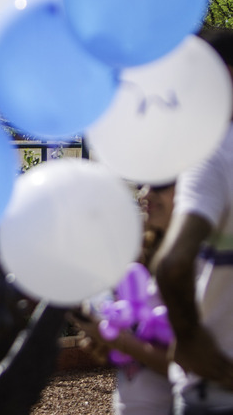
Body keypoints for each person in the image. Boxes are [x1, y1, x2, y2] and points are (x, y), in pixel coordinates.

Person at [155, 27, 233, 414]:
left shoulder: (213, 153)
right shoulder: (213, 152)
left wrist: (188, 339)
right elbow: (173, 265)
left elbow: (173, 265)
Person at [74, 182, 176, 414]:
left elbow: (192, 370)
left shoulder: (201, 268)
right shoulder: (147, 257)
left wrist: (115, 339)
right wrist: (104, 340)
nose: (145, 194)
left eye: (160, 184)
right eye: (142, 184)